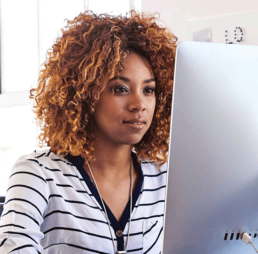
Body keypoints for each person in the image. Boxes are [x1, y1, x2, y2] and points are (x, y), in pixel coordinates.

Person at [0, 10, 177, 254]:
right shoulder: (38, 173)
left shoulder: (164, 176)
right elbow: (15, 246)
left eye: (148, 90)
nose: (139, 104)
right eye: (121, 89)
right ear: (84, 96)